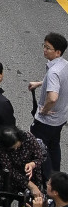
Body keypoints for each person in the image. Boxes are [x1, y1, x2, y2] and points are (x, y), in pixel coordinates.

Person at [31, 33, 68, 171]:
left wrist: (44, 110)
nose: (44, 50)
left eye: (48, 48)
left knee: (38, 149)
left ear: (58, 52)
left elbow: (52, 98)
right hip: (60, 118)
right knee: (54, 147)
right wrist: (40, 83)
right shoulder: (64, 65)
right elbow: (61, 82)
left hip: (46, 121)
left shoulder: (54, 72)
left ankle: (47, 181)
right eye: (44, 46)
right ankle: (56, 175)